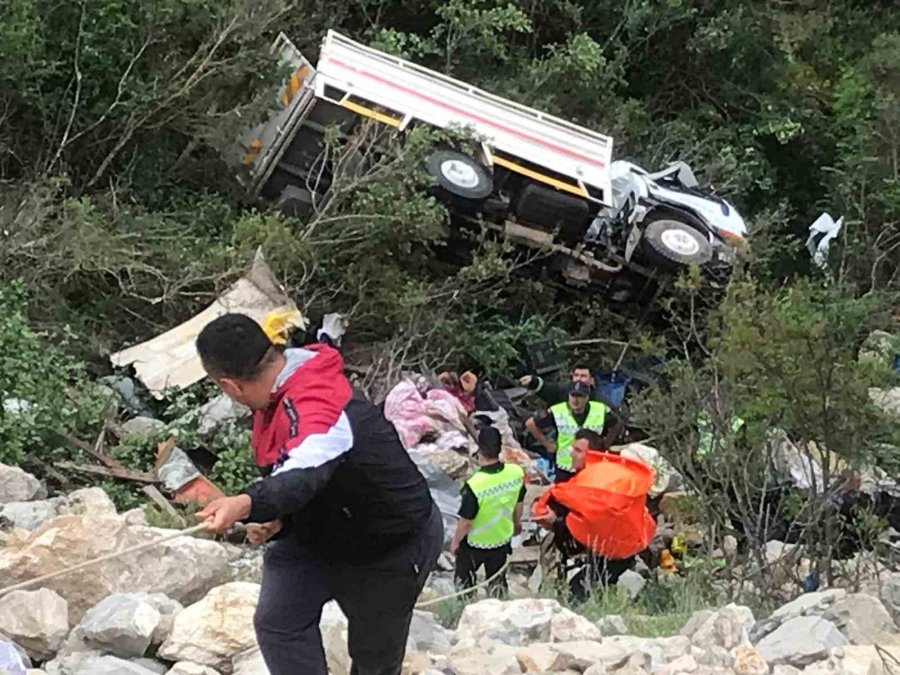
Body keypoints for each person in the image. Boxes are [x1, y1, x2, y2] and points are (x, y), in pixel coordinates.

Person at [193, 314, 443, 675]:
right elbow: (294, 470)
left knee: (374, 662)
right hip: (315, 534)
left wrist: (247, 503)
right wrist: (276, 517)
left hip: (390, 545)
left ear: (230, 386)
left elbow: (307, 469)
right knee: (279, 623)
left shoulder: (320, 400)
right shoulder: (275, 395)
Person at [533, 429, 635, 603]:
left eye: (578, 451)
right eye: (573, 448)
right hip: (594, 550)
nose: (571, 453)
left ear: (593, 455)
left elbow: (592, 526)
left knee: (576, 593)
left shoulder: (599, 485)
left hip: (608, 556)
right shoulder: (583, 479)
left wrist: (555, 522)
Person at [450, 426, 526, 597]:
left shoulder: (475, 484)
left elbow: (466, 521)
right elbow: (518, 503)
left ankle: (464, 612)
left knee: (465, 583)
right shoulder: (516, 473)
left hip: (474, 544)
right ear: (500, 448)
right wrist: (517, 524)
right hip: (501, 539)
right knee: (498, 582)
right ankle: (499, 612)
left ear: (479, 449)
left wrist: (455, 543)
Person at [525, 381, 612, 483]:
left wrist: (606, 444)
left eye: (580, 396)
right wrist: (547, 444)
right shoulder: (558, 411)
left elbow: (617, 424)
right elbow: (530, 424)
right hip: (564, 467)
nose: (575, 400)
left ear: (587, 397)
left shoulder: (600, 409)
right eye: (573, 396)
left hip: (592, 467)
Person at [519, 363, 596, 406]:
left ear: (592, 380)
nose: (578, 379)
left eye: (583, 376)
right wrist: (533, 381)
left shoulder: (599, 400)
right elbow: (548, 389)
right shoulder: (563, 391)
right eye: (576, 375)